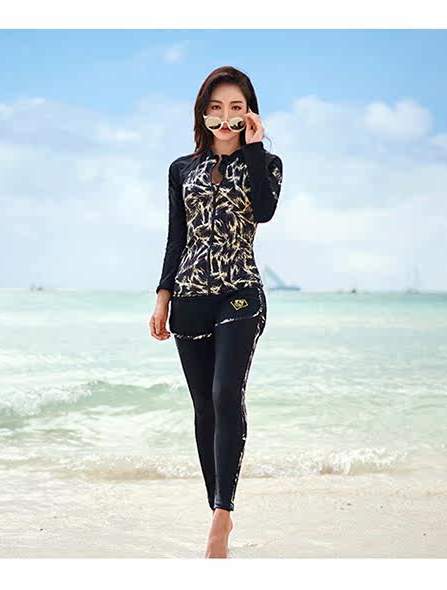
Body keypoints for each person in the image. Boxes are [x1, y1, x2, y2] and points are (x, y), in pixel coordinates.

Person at [149, 65, 283, 558]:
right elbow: (176, 237)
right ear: (203, 113)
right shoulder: (181, 169)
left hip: (240, 293)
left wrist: (254, 147)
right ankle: (215, 509)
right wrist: (163, 295)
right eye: (216, 108)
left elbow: (264, 211)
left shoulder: (266, 163)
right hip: (189, 298)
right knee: (204, 407)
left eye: (236, 108)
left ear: (249, 113)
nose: (225, 118)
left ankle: (222, 517)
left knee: (227, 393)